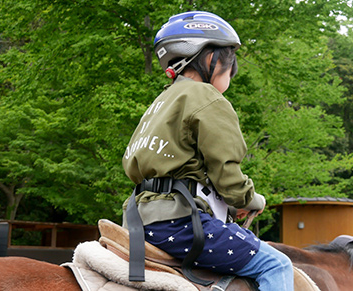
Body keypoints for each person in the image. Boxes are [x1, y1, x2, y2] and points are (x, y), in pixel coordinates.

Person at [121, 11, 293, 290]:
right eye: (229, 70)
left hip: (137, 221)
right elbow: (227, 174)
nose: (229, 81)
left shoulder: (160, 103)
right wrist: (249, 200)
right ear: (212, 59)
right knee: (277, 264)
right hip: (178, 223)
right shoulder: (205, 96)